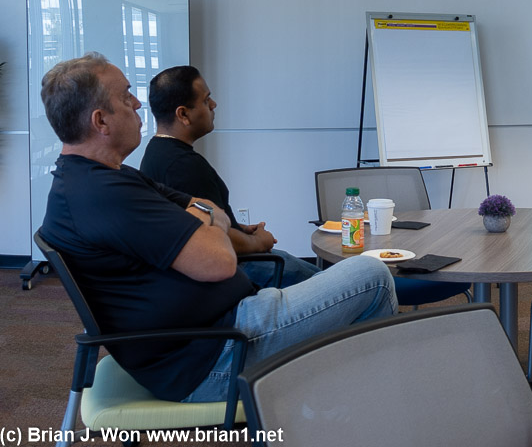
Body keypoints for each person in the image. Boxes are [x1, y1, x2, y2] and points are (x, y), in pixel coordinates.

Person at [36, 53, 396, 403]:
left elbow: (203, 210)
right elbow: (220, 260)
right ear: (101, 121)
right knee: (372, 275)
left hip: (223, 329)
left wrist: (203, 218)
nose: (137, 103)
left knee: (347, 282)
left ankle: (332, 404)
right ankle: (366, 408)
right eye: (125, 95)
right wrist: (207, 220)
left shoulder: (108, 178)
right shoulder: (103, 195)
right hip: (218, 353)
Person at [140, 66, 319, 287]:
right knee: (343, 286)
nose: (214, 105)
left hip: (236, 263)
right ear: (183, 114)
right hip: (239, 270)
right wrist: (258, 242)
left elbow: (201, 220)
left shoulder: (158, 152)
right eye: (206, 100)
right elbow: (212, 239)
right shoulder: (183, 165)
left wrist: (238, 227)